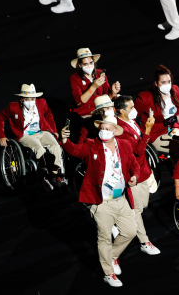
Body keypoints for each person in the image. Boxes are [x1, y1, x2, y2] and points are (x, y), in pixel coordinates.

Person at [61, 116, 140, 287]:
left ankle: (111, 256)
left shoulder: (124, 145)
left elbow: (134, 163)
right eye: (101, 128)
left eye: (107, 128)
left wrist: (134, 176)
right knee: (104, 238)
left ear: (114, 131)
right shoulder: (91, 145)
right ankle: (108, 274)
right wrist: (65, 140)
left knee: (130, 231)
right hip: (101, 201)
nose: (103, 131)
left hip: (120, 199)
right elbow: (75, 150)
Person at [114, 95, 161, 255]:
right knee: (137, 211)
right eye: (130, 108)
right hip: (132, 174)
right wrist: (148, 129)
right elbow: (138, 150)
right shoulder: (119, 129)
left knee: (143, 205)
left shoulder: (131, 122)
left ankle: (119, 217)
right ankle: (144, 242)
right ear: (121, 111)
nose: (134, 110)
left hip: (144, 171)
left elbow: (142, 145)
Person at [0, 84, 66, 190]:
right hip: (26, 135)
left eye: (32, 99)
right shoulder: (13, 107)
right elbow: (0, 117)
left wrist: (53, 130)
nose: (30, 101)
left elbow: (48, 114)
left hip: (42, 132)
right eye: (27, 99)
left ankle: (54, 175)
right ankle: (42, 178)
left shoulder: (42, 103)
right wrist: (1, 135)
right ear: (21, 99)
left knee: (55, 146)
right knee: (39, 149)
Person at [134, 65, 179, 155]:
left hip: (174, 129)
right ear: (156, 83)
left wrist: (175, 128)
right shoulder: (145, 98)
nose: (167, 85)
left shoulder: (175, 91)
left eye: (169, 82)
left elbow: (177, 112)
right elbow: (130, 117)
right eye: (163, 82)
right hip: (156, 134)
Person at [70, 48, 121, 118]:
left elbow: (107, 98)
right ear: (80, 65)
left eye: (91, 63)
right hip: (86, 114)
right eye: (85, 64)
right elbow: (79, 102)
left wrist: (113, 92)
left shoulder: (100, 73)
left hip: (102, 110)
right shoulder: (74, 78)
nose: (89, 66)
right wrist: (93, 87)